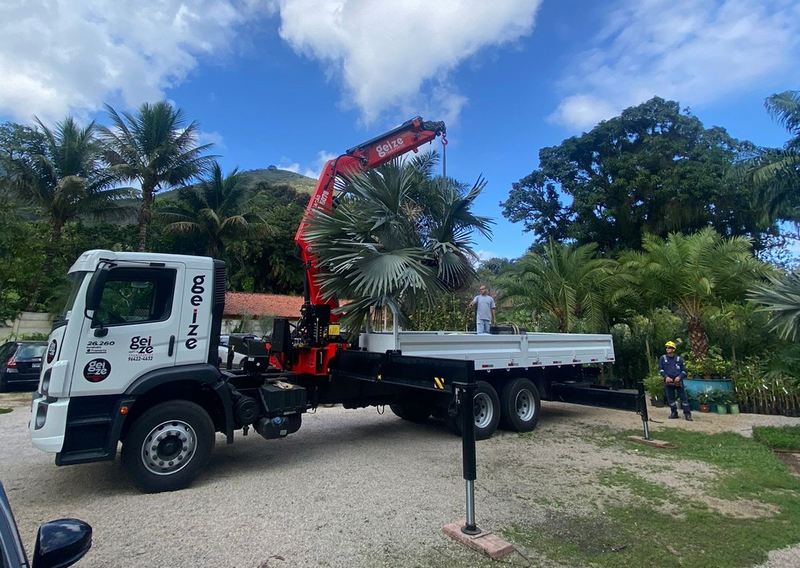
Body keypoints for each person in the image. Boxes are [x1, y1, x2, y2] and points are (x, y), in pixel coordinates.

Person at [659, 341, 693, 421]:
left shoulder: (679, 359)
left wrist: (679, 377)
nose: (667, 349)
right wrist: (666, 377)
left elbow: (684, 371)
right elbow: (660, 370)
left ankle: (687, 414)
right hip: (668, 382)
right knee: (670, 398)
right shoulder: (662, 358)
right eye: (667, 347)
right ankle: (674, 413)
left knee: (683, 398)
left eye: (669, 347)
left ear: (673, 349)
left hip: (678, 382)